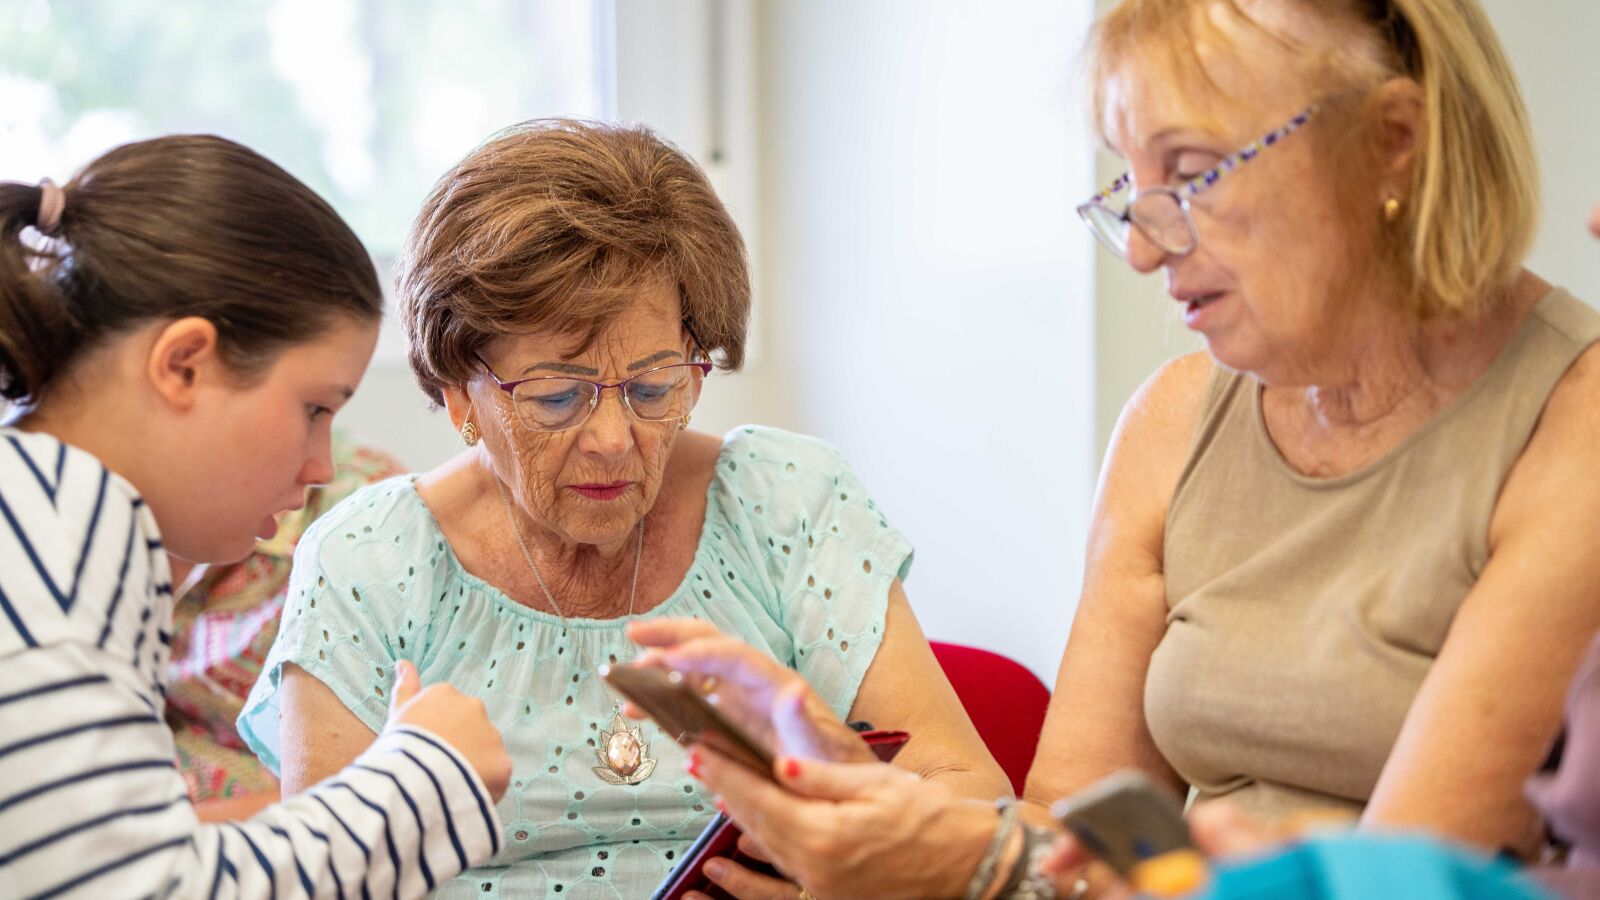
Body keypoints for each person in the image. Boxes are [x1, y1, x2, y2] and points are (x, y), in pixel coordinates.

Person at [625, 0, 1600, 896]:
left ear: (1392, 143)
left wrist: (971, 861)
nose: (1141, 246)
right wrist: (867, 793)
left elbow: (1391, 882)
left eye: (1192, 173)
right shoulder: (1173, 419)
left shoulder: (1574, 420)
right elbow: (1067, 829)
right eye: (1132, 186)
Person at [237, 119, 1008, 898]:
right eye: (557, 396)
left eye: (652, 387)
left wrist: (853, 880)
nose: (613, 440)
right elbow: (318, 881)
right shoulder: (367, 559)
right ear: (458, 394)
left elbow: (965, 787)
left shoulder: (789, 500)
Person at [0, 135, 510, 898]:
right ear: (184, 364)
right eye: (314, 409)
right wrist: (426, 782)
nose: (322, 466)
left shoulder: (54, 517)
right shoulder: (55, 547)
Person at [168, 431, 405, 821]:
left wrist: (169, 834)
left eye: (319, 410)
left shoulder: (367, 525)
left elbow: (372, 789)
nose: (319, 466)